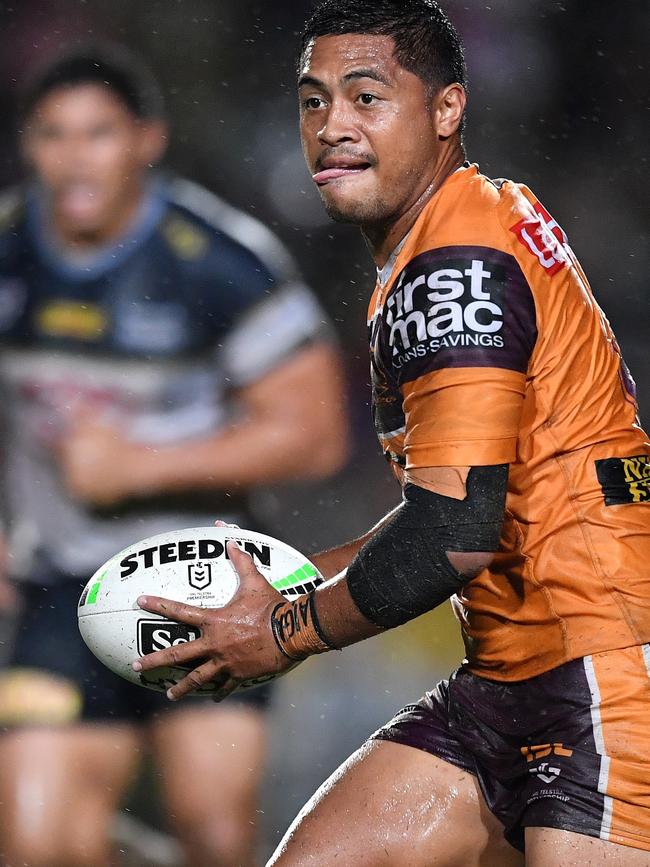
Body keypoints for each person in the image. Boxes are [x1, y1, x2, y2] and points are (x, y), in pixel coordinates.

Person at [135, 1, 650, 865]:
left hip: (602, 674)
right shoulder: (455, 229)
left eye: (366, 97)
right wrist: (287, 581)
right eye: (312, 101)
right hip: (506, 678)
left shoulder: (456, 264)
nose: (332, 126)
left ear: (446, 109)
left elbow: (452, 536)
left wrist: (284, 630)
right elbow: (442, 506)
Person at [0, 43, 348, 867]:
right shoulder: (9, 250)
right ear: (28, 145)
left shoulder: (222, 263)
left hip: (205, 578)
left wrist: (138, 466)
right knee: (35, 839)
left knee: (214, 830)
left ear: (146, 140)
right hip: (58, 586)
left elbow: (316, 432)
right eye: (54, 134)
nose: (75, 158)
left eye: (99, 134)